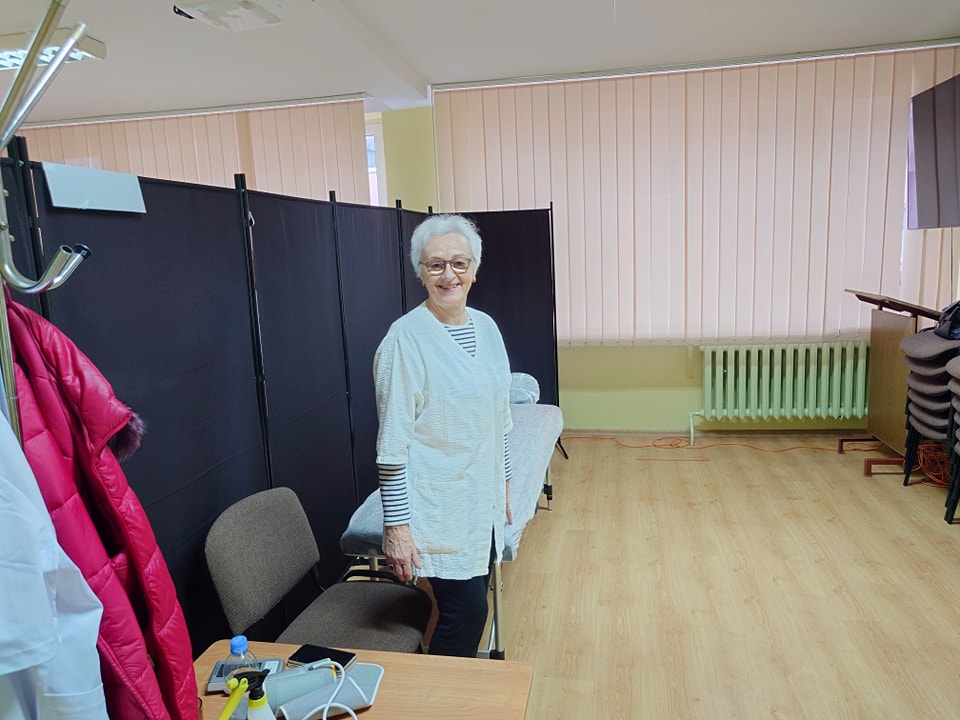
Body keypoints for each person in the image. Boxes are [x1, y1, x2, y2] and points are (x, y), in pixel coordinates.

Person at [374, 213, 514, 658]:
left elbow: (500, 417)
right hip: (438, 506)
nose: (448, 275)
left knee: (473, 601)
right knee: (465, 611)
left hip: (481, 499)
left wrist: (504, 482)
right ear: (421, 273)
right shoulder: (404, 340)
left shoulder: (487, 328)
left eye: (459, 263)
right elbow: (392, 447)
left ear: (474, 269)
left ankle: (453, 684)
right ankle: (439, 691)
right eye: (435, 265)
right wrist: (397, 528)